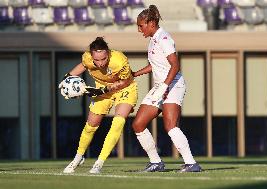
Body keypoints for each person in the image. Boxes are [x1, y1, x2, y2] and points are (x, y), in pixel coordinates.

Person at [131, 5, 202, 172]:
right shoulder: (153, 39)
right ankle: (156, 162)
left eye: (141, 25)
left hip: (173, 85)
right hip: (160, 86)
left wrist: (165, 86)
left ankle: (191, 163)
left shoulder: (164, 39)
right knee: (138, 124)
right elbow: (155, 65)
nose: (139, 29)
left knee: (170, 126)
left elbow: (175, 65)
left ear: (151, 23)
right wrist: (135, 73)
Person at [59, 37, 138, 174]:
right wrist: (67, 77)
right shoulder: (87, 58)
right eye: (97, 60)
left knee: (118, 122)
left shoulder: (119, 60)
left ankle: (99, 163)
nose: (100, 63)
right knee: (91, 126)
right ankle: (78, 157)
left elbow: (125, 82)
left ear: (108, 53)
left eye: (104, 59)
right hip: (102, 89)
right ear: (91, 56)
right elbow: (83, 66)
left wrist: (103, 90)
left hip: (125, 89)